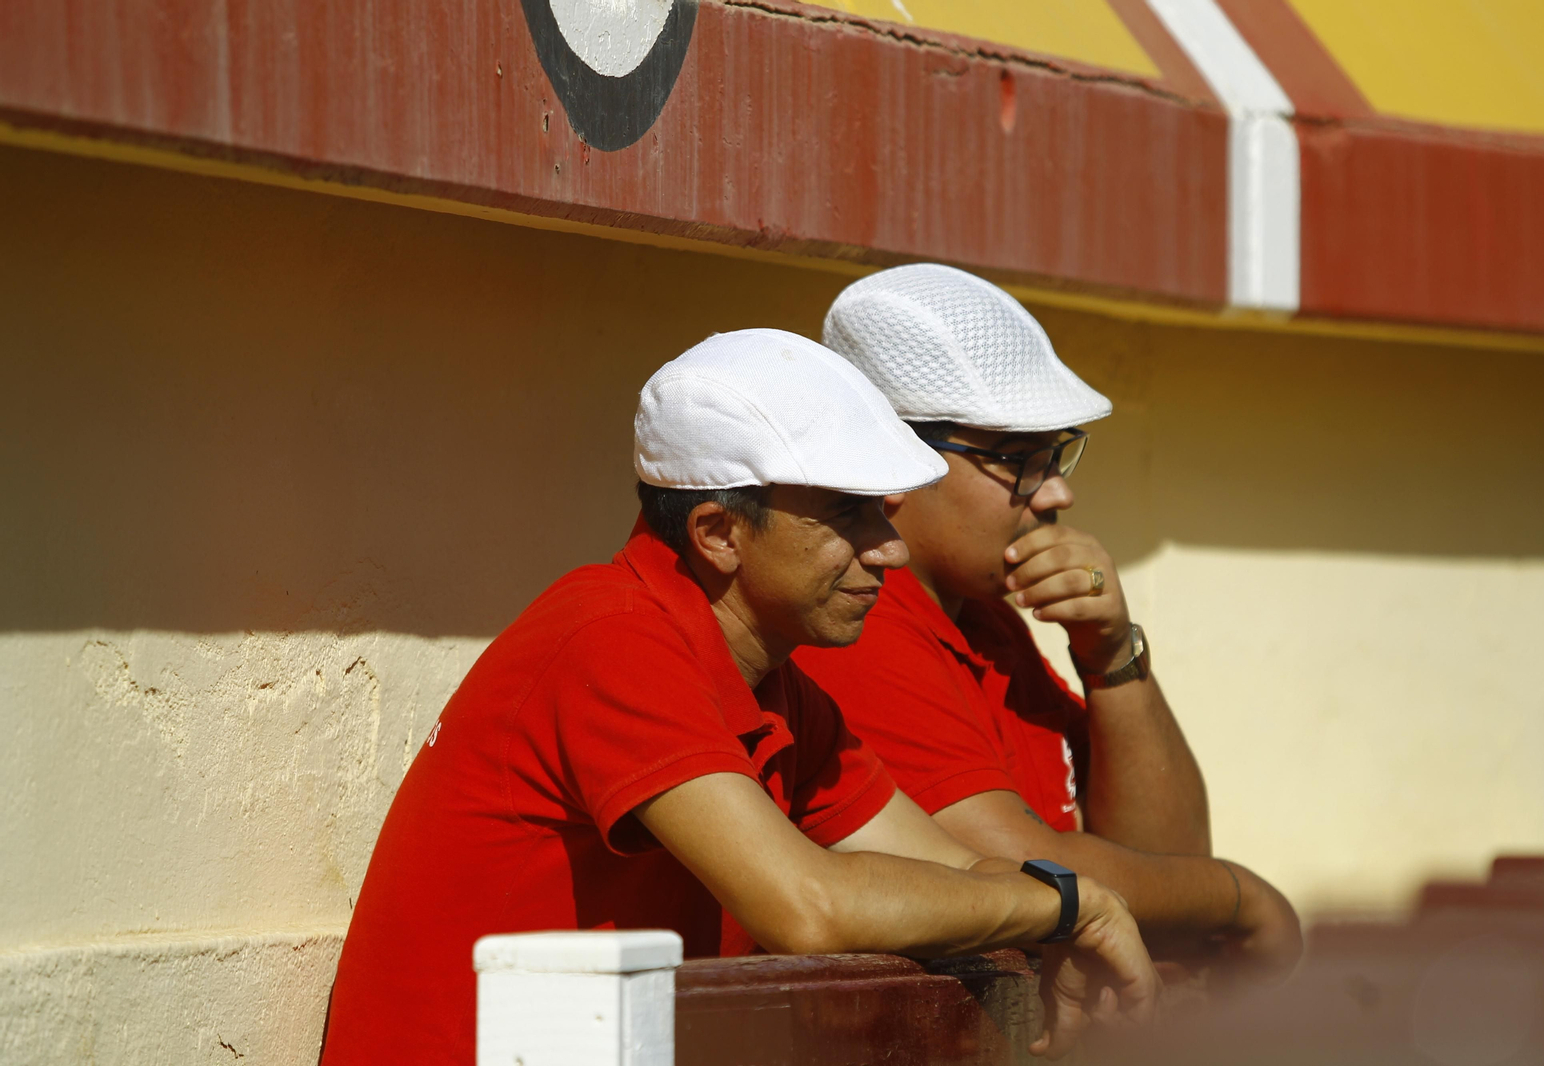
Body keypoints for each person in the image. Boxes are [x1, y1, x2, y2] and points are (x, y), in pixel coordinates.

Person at [320, 328, 1157, 1065]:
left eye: (888, 514)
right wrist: (1067, 908)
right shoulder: (611, 638)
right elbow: (809, 908)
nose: (890, 552)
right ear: (718, 533)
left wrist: (1054, 912)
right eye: (849, 515)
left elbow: (955, 868)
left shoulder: (776, 683)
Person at [792, 266, 1302, 979]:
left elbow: (1169, 860)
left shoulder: (987, 616)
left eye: (1055, 455)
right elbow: (1007, 857)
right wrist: (1240, 896)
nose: (1058, 492)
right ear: (898, 463)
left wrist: (1111, 652)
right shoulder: (857, 623)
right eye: (1020, 461)